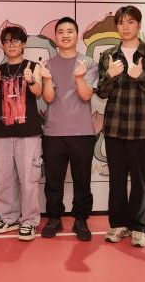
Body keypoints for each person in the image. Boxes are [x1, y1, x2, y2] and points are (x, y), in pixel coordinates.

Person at [96, 5, 145, 248]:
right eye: (121, 23)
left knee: (140, 181)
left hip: (143, 128)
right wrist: (110, 75)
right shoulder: (108, 55)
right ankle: (117, 225)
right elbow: (101, 93)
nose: (125, 27)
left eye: (130, 22)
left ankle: (139, 227)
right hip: (115, 128)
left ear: (139, 25)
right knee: (116, 181)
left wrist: (140, 77)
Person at [40, 17, 98, 241]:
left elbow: (85, 95)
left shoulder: (88, 62)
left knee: (82, 181)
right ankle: (54, 218)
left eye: (70, 31)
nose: (65, 35)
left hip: (82, 133)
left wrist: (79, 77)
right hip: (53, 133)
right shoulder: (48, 64)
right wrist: (46, 80)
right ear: (55, 37)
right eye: (61, 31)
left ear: (77, 35)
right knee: (53, 181)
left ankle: (81, 220)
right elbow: (48, 98)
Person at [0, 26, 43, 241]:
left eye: (16, 41)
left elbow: (39, 92)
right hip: (2, 132)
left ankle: (29, 221)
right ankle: (9, 218)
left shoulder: (33, 66)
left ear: (24, 44)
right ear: (3, 45)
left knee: (29, 180)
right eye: (8, 41)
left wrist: (31, 80)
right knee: (4, 179)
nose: (12, 45)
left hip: (28, 132)